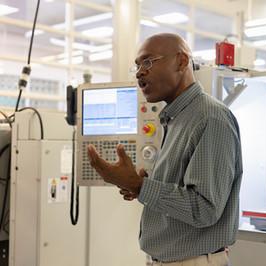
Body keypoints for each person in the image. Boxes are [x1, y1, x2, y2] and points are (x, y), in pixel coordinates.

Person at [87, 33, 243, 266]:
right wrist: (142, 188)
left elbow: (205, 209)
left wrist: (139, 186)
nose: (140, 72)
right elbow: (182, 190)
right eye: (137, 66)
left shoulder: (210, 118)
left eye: (148, 62)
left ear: (181, 61)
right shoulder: (176, 119)